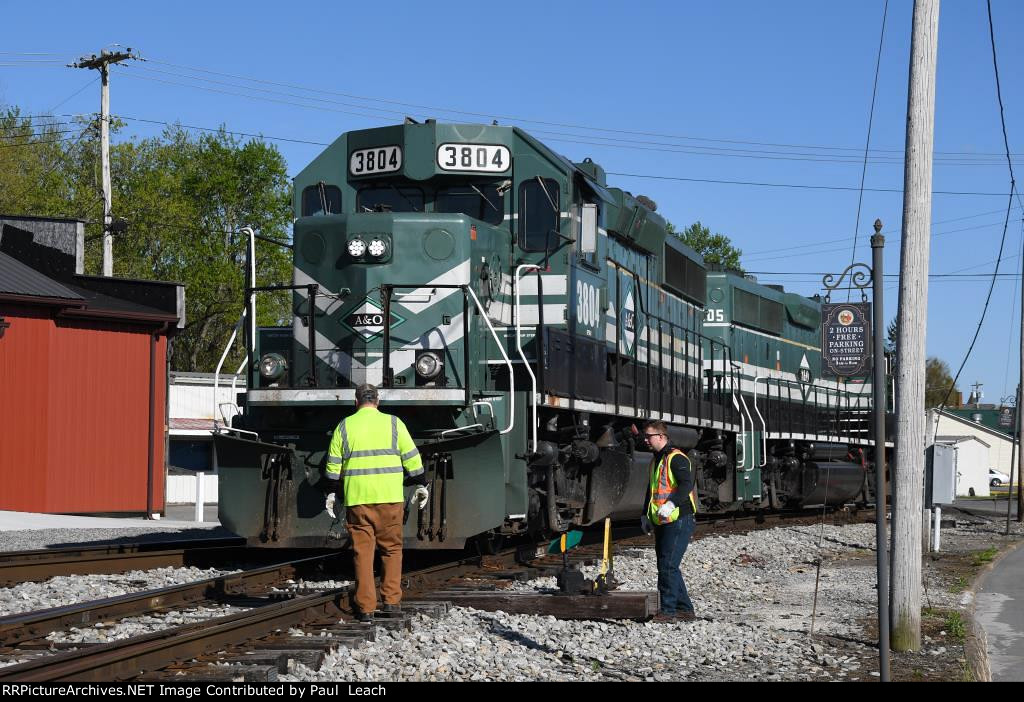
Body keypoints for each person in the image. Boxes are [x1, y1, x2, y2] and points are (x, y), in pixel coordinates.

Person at [324, 383, 428, 622]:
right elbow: (412, 458)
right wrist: (422, 483)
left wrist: (331, 492)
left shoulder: (345, 426)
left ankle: (366, 608)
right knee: (391, 550)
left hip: (358, 500)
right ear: (378, 401)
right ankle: (391, 602)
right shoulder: (394, 423)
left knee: (363, 553)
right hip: (390, 499)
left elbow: (332, 466)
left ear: (356, 402)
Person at [641, 420, 698, 623]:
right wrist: (645, 514)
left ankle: (668, 611)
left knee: (668, 565)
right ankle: (685, 609)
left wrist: (672, 504)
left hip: (678, 518)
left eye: (649, 436)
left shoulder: (676, 458)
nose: (645, 440)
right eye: (645, 436)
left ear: (661, 437)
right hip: (663, 519)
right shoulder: (656, 460)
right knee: (668, 564)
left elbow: (686, 484)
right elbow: (653, 489)